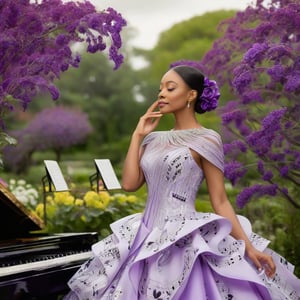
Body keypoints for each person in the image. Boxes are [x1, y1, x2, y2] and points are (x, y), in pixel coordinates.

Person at [64, 63, 300, 299]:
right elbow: (129, 184)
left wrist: (248, 248)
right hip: (143, 237)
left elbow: (220, 201)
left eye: (170, 88)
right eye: (160, 89)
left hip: (183, 240)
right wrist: (138, 135)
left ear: (191, 95)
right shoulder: (153, 139)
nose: (161, 94)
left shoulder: (207, 139)